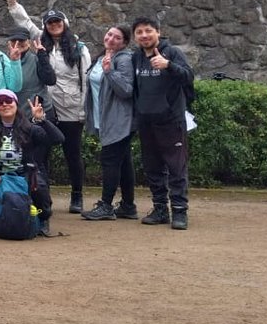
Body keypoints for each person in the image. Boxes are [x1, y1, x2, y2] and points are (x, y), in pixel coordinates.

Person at [4, 0, 92, 212]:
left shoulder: (79, 48)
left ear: (65, 24)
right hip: (43, 107)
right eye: (50, 22)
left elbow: (86, 79)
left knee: (72, 152)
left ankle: (77, 195)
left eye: (57, 21)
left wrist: (83, 110)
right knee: (43, 154)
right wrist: (12, 0)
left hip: (71, 106)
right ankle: (43, 193)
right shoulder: (39, 41)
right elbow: (23, 21)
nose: (54, 25)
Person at [131, 17, 194, 230]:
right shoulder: (136, 58)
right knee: (152, 168)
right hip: (146, 121)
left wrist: (168, 65)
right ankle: (160, 209)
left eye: (148, 31)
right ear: (135, 37)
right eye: (139, 32)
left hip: (171, 120)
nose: (144, 35)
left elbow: (188, 77)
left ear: (158, 32)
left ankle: (179, 212)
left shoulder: (172, 52)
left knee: (176, 167)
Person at [0, 89, 63, 237]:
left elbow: (58, 139)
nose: (4, 104)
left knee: (38, 184)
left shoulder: (29, 128)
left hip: (24, 173)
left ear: (16, 104)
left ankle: (43, 217)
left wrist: (42, 120)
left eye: (8, 101)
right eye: (0, 102)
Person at [82, 25, 138, 221]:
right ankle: (128, 206)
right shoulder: (101, 57)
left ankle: (106, 205)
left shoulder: (124, 59)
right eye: (109, 34)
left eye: (117, 37)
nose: (111, 39)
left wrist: (109, 72)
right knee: (123, 162)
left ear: (124, 42)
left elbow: (126, 90)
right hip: (104, 118)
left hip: (119, 120)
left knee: (110, 161)